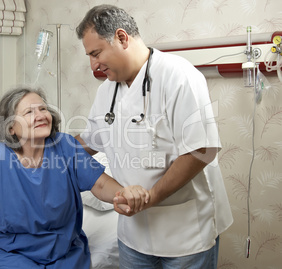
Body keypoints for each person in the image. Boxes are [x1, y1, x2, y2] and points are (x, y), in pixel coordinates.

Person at [75, 4, 233, 269]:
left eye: (96, 53)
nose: (93, 64)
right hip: (132, 235)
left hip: (185, 234)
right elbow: (90, 141)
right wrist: (41, 148)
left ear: (122, 38)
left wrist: (150, 198)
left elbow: (201, 151)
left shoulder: (179, 76)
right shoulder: (106, 92)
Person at [0, 86, 149, 269]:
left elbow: (100, 183)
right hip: (8, 249)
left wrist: (123, 193)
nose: (40, 115)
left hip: (63, 250)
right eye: (29, 112)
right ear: (11, 128)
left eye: (43, 109)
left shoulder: (66, 146)